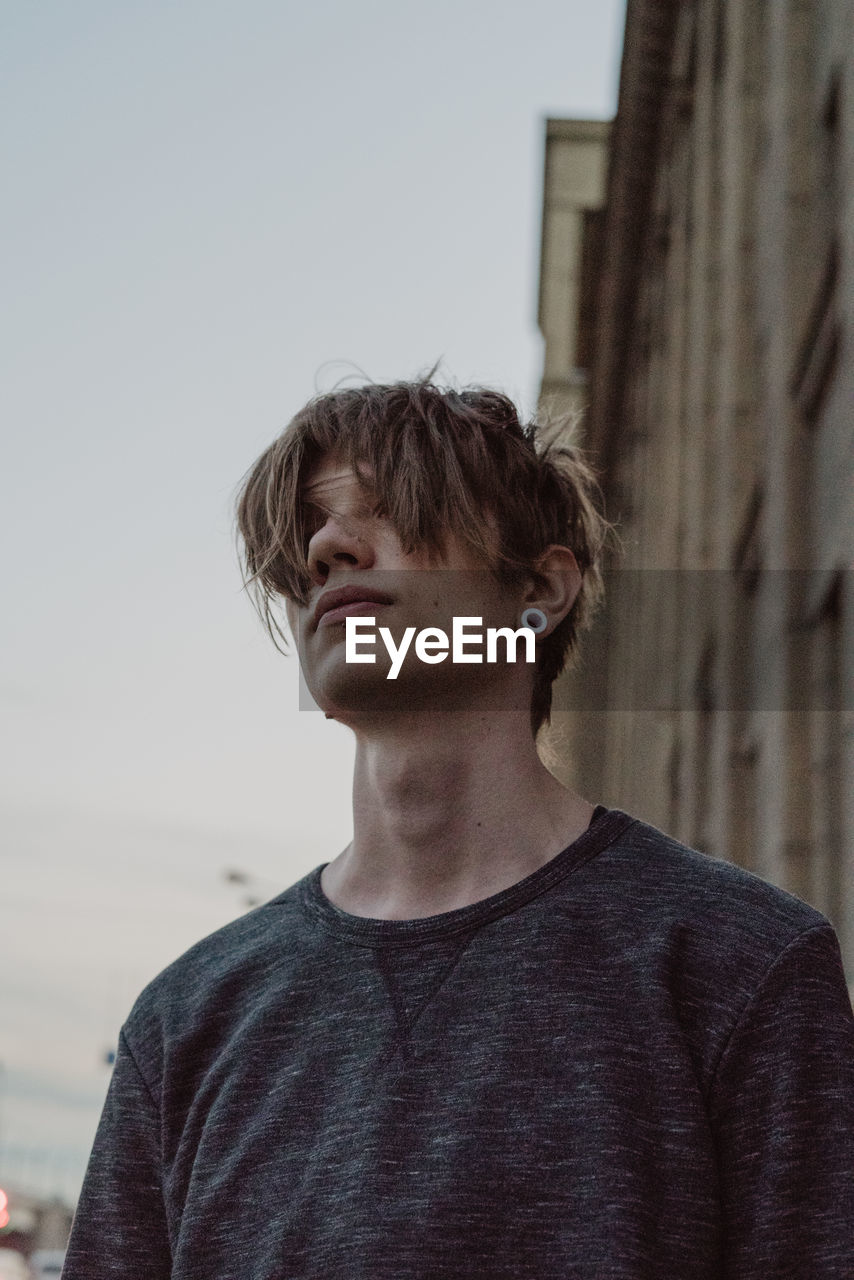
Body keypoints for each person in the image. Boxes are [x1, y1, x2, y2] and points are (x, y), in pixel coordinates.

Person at [62, 379, 854, 1279]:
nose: (328, 547)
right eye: (308, 535)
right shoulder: (186, 1020)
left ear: (540, 590)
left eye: (393, 509)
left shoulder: (741, 964)